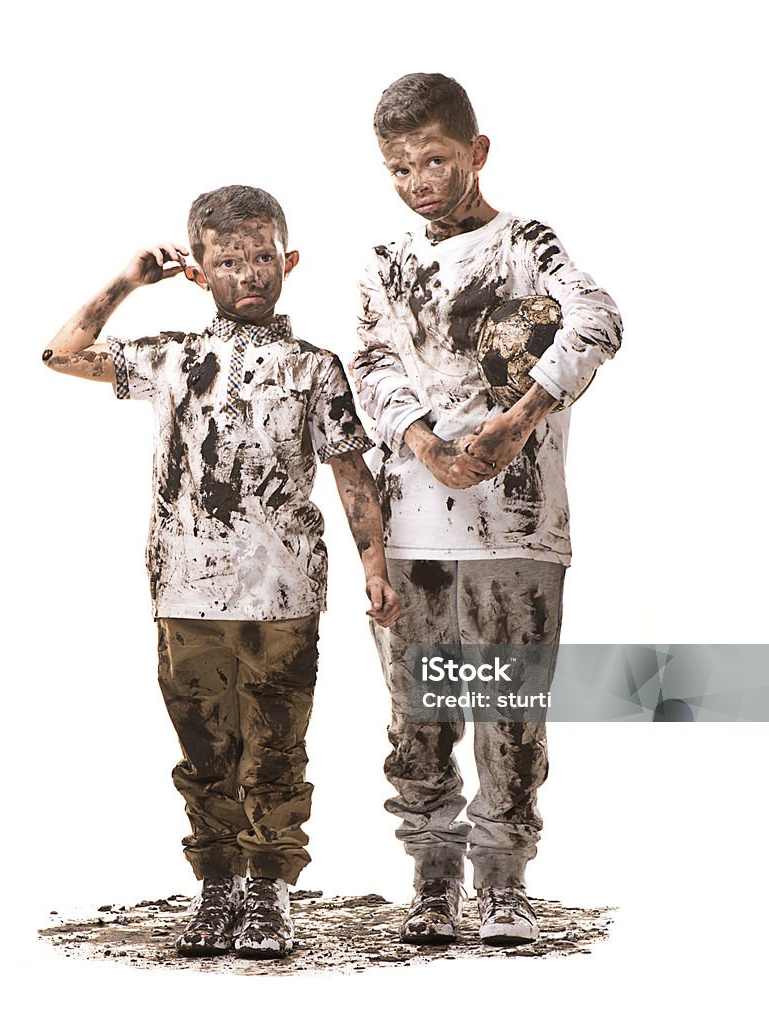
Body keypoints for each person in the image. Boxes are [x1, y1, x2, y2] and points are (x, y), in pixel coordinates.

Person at [43, 185, 401, 960]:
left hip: (283, 591)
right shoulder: (170, 356)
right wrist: (127, 282)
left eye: (263, 257)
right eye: (229, 260)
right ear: (200, 272)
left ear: (288, 261)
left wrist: (374, 566)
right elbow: (60, 354)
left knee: (275, 746)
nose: (249, 273)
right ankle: (215, 886)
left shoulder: (314, 368)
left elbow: (349, 473)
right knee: (204, 746)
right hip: (185, 587)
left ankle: (269, 890)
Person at [352, 74, 622, 947]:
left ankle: (503, 881)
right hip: (411, 527)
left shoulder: (528, 245)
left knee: (507, 706)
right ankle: (432, 879)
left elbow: (596, 319)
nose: (418, 180)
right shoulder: (388, 262)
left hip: (518, 523)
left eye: (433, 158)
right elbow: (370, 364)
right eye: (398, 167)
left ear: (476, 152)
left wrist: (519, 418)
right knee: (417, 710)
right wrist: (424, 443)